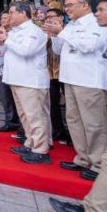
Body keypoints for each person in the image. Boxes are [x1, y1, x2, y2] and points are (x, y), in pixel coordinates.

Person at [49, 0, 107, 212]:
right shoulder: (72, 25)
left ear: (83, 5)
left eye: (69, 5)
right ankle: (83, 157)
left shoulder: (97, 25)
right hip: (70, 78)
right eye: (65, 6)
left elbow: (88, 47)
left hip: (90, 80)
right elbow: (59, 51)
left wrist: (63, 31)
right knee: (75, 121)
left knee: (94, 124)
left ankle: (97, 164)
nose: (66, 9)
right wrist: (57, 35)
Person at [0, 1, 51, 164]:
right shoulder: (14, 31)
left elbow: (26, 51)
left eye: (12, 12)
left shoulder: (34, 30)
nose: (9, 16)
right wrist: (0, 41)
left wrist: (6, 39)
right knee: (25, 116)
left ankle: (41, 150)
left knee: (35, 116)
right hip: (16, 79)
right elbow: (5, 52)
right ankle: (30, 143)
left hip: (30, 81)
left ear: (23, 13)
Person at [45, 8, 69, 142]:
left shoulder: (68, 31)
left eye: (51, 16)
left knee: (70, 105)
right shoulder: (45, 33)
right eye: (46, 17)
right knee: (52, 104)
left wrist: (57, 33)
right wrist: (47, 36)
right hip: (50, 72)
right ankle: (58, 131)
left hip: (66, 73)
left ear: (60, 18)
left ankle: (72, 134)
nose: (48, 19)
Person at [0, 12, 20, 132]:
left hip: (15, 70)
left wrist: (5, 39)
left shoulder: (16, 33)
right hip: (1, 69)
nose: (3, 20)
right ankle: (10, 121)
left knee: (18, 99)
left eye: (6, 18)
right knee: (5, 98)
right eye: (2, 18)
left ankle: (21, 125)